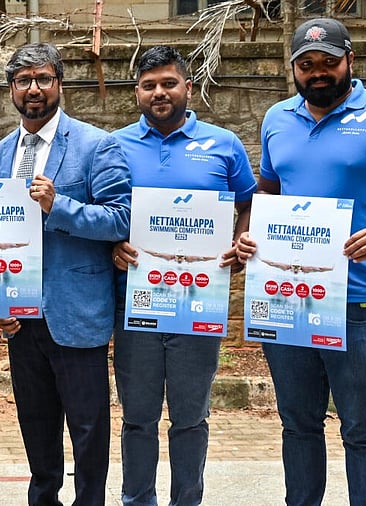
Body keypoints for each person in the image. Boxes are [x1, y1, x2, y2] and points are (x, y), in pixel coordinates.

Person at [235, 17, 366, 506]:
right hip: (285, 297)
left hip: (357, 299)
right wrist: (246, 235)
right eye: (307, 65)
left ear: (351, 61)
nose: (318, 72)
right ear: (294, 69)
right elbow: (270, 192)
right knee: (298, 424)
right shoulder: (277, 119)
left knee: (362, 426)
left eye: (329, 62)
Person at [109, 45, 256, 506]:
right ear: (136, 91)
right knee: (138, 416)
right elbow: (104, 212)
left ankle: (186, 500)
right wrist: (112, 244)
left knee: (191, 416)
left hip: (199, 303)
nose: (159, 92)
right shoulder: (114, 145)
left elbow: (249, 203)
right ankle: (138, 500)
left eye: (169, 83)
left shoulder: (224, 144)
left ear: (187, 87)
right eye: (149, 84)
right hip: (137, 303)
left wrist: (241, 240)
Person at [0, 42, 131, 505]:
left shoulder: (96, 145)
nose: (34, 88)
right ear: (11, 89)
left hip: (76, 311)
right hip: (21, 316)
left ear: (59, 85)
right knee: (35, 423)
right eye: (24, 80)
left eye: (43, 79)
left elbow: (120, 219)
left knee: (89, 430)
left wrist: (57, 204)